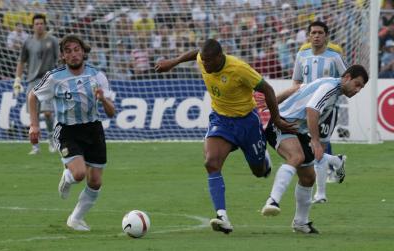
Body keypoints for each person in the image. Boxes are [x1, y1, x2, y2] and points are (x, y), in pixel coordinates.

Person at [155, 39, 296, 234]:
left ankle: (264, 160)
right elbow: (196, 52)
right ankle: (222, 216)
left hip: (247, 122)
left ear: (219, 57)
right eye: (202, 61)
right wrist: (173, 62)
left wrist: (277, 119)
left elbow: (268, 90)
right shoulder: (203, 58)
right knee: (211, 162)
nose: (204, 65)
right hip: (221, 121)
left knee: (259, 171)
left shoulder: (239, 69)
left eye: (208, 62)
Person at [261, 65, 369, 234]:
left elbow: (297, 88)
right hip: (282, 123)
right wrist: (316, 142)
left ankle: (301, 222)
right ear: (347, 77)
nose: (358, 90)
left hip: (298, 131)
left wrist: (273, 100)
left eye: (361, 87)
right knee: (296, 157)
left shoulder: (328, 84)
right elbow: (312, 109)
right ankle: (272, 201)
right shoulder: (330, 88)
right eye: (357, 84)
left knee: (308, 178)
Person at [28, 34, 115, 231]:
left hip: (93, 130)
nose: (74, 54)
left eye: (77, 50)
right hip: (67, 130)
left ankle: (75, 218)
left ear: (83, 52)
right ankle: (67, 177)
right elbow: (32, 96)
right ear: (63, 56)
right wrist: (34, 125)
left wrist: (103, 99)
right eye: (68, 51)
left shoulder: (97, 76)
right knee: (79, 174)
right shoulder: (54, 77)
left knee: (95, 180)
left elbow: (112, 112)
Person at [276, 21, 348, 204]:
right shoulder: (302, 55)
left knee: (319, 148)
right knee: (309, 147)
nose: (316, 36)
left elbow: (345, 80)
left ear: (326, 36)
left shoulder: (334, 57)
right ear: (309, 36)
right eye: (313, 33)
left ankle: (321, 193)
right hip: (305, 111)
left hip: (326, 111)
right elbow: (296, 82)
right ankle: (337, 161)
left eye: (320, 33)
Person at [13, 14, 59, 155]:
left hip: (48, 80)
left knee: (47, 113)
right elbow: (22, 62)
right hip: (32, 82)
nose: (39, 26)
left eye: (41, 23)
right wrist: (17, 80)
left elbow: (60, 59)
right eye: (36, 23)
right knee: (33, 117)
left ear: (45, 25)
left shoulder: (52, 41)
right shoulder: (28, 42)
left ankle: (51, 139)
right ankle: (35, 146)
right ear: (33, 26)